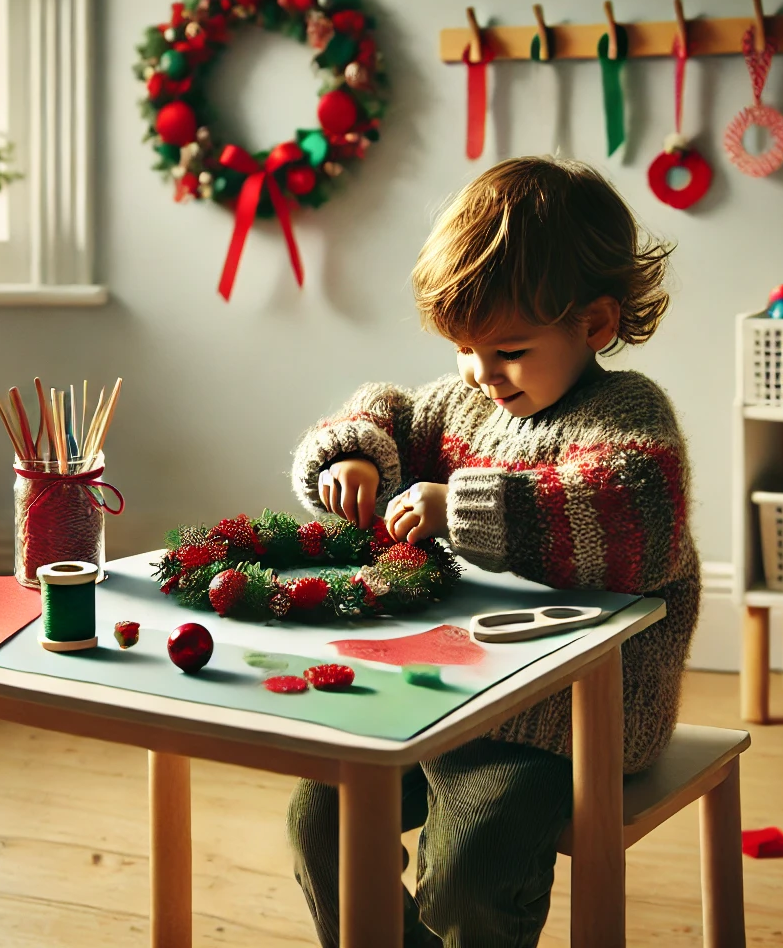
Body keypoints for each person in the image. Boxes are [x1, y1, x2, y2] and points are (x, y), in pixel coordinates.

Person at [287, 157, 700, 948]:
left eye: (508, 349)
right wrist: (356, 456)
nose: (481, 374)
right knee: (321, 813)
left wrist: (463, 503)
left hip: (561, 718)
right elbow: (385, 407)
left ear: (595, 325)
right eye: (462, 348)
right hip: (443, 690)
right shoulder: (460, 401)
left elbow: (638, 523)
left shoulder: (626, 415)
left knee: (471, 861)